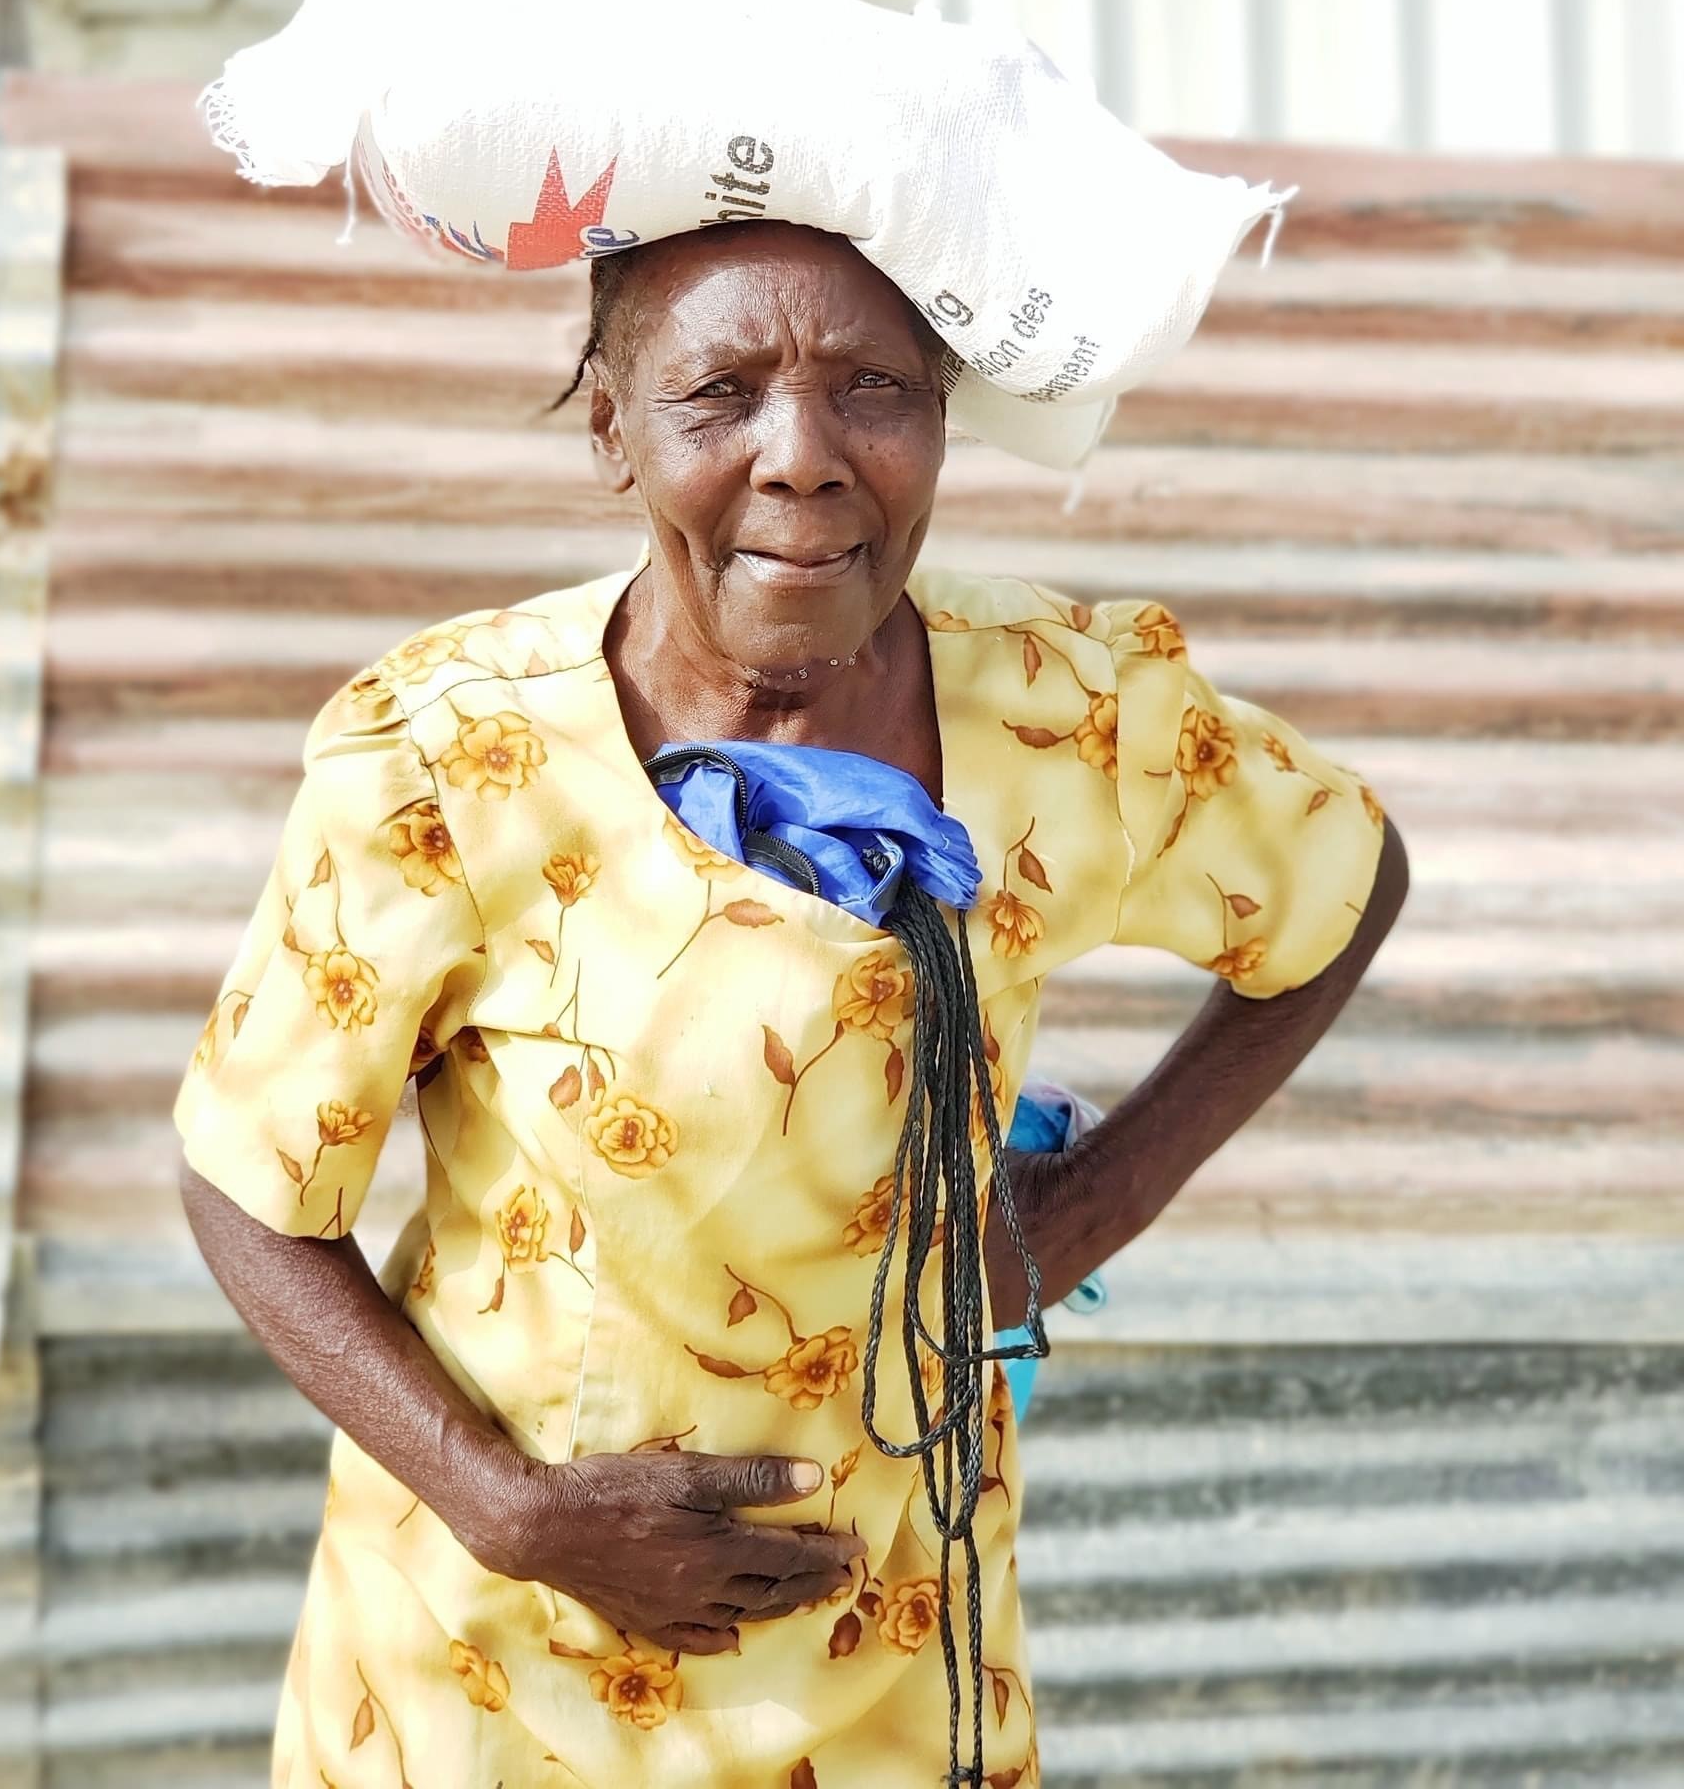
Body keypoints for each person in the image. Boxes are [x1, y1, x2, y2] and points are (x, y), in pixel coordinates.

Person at [176, 220, 1407, 1789]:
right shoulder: (453, 756)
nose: (803, 460)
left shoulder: (1067, 714)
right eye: (723, 394)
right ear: (612, 430)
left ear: (946, 414)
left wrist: (1092, 1198)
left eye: (874, 388)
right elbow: (250, 1184)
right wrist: (518, 1513)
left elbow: (1343, 879)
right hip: (487, 1656)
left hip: (891, 1647)